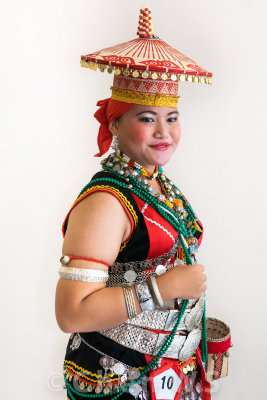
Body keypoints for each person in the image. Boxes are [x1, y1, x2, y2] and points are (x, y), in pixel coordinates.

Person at [55, 8, 213, 400]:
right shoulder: (107, 202)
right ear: (114, 124)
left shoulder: (158, 186)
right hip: (119, 380)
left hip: (172, 372)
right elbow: (71, 313)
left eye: (172, 118)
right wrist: (161, 290)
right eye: (147, 118)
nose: (165, 133)